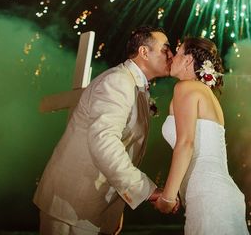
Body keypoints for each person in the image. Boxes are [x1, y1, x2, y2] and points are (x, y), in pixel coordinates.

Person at [34, 26, 175, 234]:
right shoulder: (117, 81)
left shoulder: (137, 87)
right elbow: (104, 142)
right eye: (166, 49)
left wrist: (115, 210)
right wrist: (147, 190)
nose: (171, 54)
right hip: (72, 204)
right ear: (144, 52)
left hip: (96, 205)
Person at [155, 36, 249, 234]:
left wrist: (167, 198)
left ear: (189, 60)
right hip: (219, 195)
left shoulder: (185, 87)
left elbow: (186, 144)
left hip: (209, 198)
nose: (172, 57)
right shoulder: (207, 94)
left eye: (178, 52)